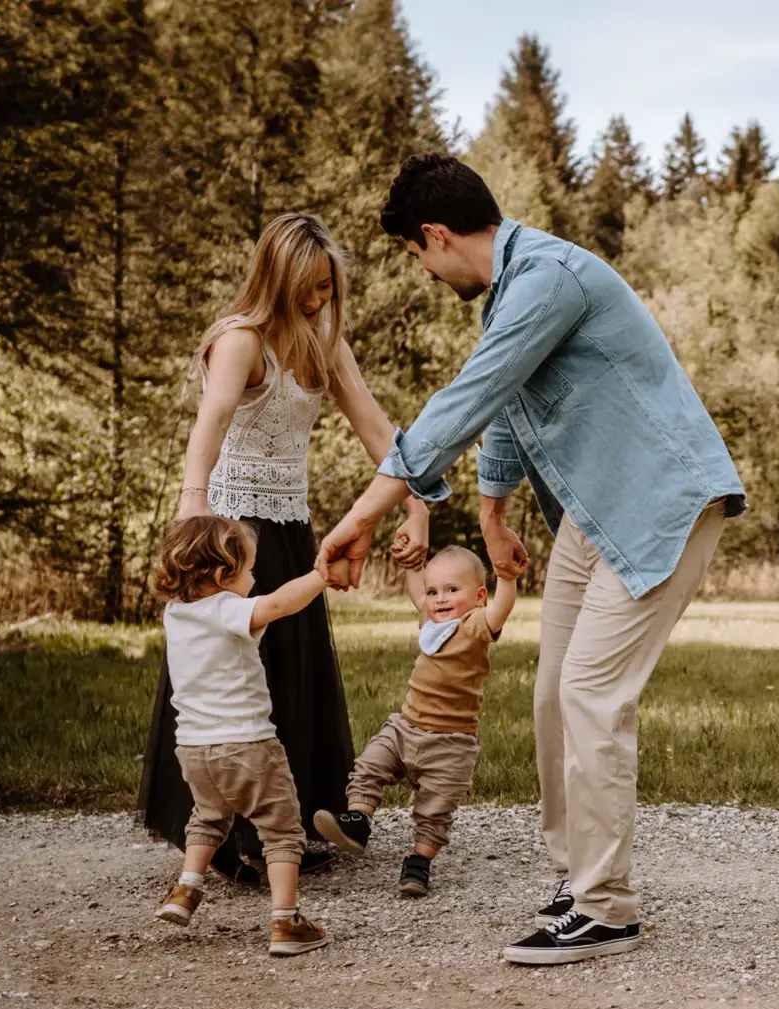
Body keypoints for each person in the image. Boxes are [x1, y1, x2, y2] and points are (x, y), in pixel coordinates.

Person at [316, 154, 747, 965]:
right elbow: (510, 405)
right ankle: (578, 880)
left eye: (416, 254)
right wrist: (492, 514)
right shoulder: (514, 293)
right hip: (594, 514)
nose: (425, 271)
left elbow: (470, 396)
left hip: (659, 504)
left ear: (435, 236)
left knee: (591, 694)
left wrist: (362, 515)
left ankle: (606, 908)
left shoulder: (548, 278)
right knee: (553, 696)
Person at [140, 213, 429, 884]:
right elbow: (211, 423)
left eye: (327, 287)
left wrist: (415, 503)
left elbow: (377, 429)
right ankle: (226, 834)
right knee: (236, 674)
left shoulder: (327, 343)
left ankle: (286, 826)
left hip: (291, 525)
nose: (319, 300)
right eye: (308, 287)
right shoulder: (240, 340)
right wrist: (192, 507)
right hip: (231, 529)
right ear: (276, 278)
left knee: (292, 674)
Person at [150, 515, 348, 956]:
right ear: (224, 573)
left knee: (208, 816)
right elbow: (277, 605)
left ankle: (186, 888)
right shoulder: (227, 608)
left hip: (194, 749)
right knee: (282, 830)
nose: (255, 578)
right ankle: (286, 922)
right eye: (249, 569)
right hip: (247, 744)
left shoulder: (175, 613)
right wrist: (321, 576)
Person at [313, 544, 518, 897]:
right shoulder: (430, 622)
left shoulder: (474, 624)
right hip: (404, 727)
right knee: (368, 766)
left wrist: (507, 577)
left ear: (479, 597)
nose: (440, 599)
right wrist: (412, 561)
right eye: (433, 592)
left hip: (451, 743)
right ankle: (358, 822)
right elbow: (415, 588)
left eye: (452, 590)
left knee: (435, 810)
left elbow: (502, 608)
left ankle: (419, 862)